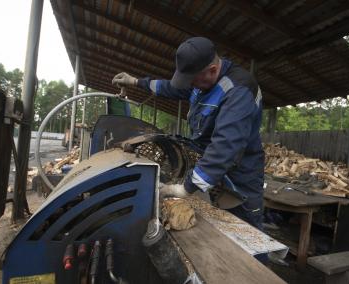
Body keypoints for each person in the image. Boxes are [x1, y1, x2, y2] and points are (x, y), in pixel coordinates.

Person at [112, 37, 265, 232]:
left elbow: (225, 147)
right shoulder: (202, 82)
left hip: (241, 174)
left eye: (192, 80)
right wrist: (136, 82)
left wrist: (183, 188)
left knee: (247, 230)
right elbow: (171, 88)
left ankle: (256, 262)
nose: (190, 85)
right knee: (216, 226)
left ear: (212, 70)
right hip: (210, 167)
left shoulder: (239, 90)